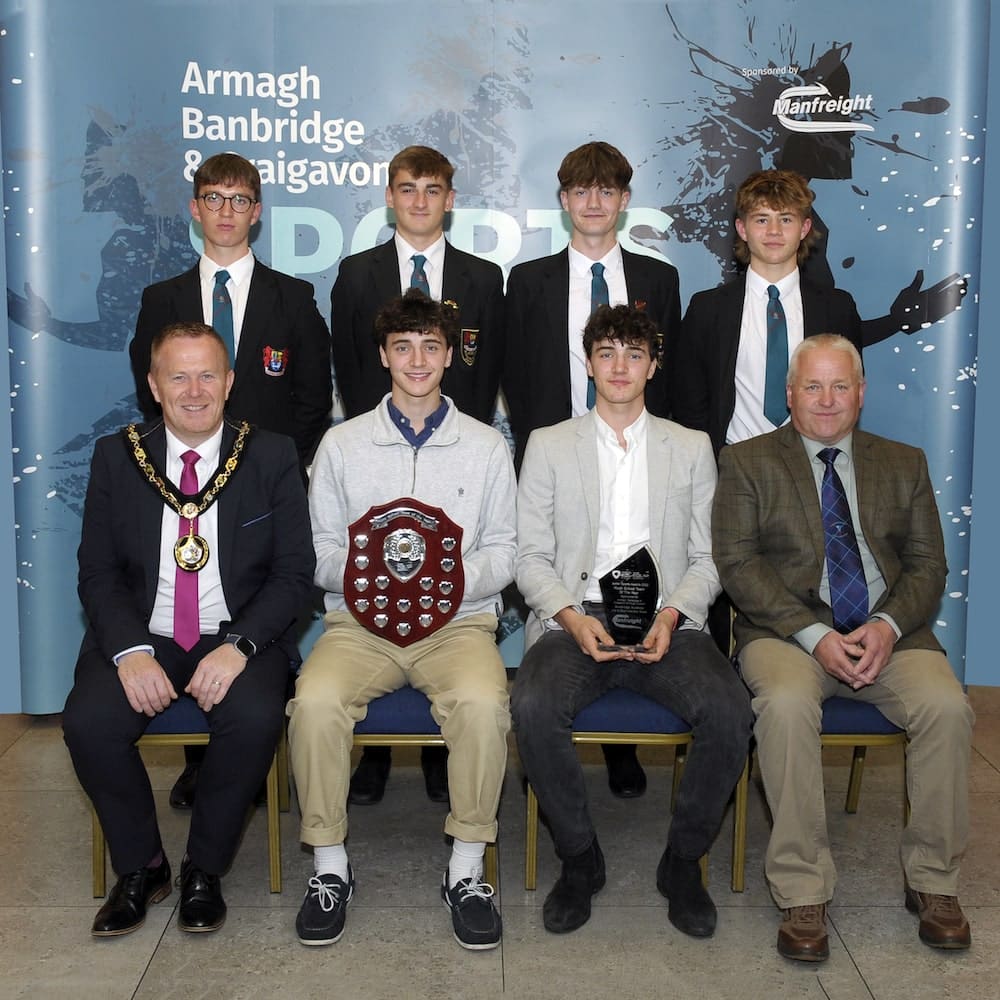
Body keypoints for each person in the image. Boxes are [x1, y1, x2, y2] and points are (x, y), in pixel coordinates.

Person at [712, 334, 974, 962]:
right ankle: (803, 889)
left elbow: (927, 565)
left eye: (839, 386)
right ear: (789, 393)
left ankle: (934, 881)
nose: (826, 401)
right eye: (812, 386)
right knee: (784, 707)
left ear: (861, 392)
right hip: (785, 633)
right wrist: (815, 634)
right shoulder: (747, 462)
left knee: (948, 708)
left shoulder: (903, 461)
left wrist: (885, 626)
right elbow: (738, 564)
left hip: (894, 634)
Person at [63, 322, 314, 937]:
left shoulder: (272, 454)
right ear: (153, 385)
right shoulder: (117, 456)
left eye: (208, 375)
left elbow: (293, 573)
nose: (194, 390)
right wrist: (129, 651)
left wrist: (240, 648)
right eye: (178, 375)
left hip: (237, 636)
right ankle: (142, 867)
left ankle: (204, 867)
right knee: (88, 722)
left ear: (230, 383)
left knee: (254, 717)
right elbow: (96, 571)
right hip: (142, 634)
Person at [511, 304, 752, 938]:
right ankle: (579, 858)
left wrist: (673, 614)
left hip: (667, 622)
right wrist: (566, 613)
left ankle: (681, 863)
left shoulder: (692, 446)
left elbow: (708, 558)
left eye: (634, 355)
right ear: (587, 364)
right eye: (607, 354)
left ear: (654, 365)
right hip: (576, 616)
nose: (620, 367)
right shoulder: (548, 444)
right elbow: (529, 556)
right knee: (532, 703)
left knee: (731, 709)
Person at [287, 290, 515, 951]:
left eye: (431, 347)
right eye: (404, 346)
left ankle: (467, 870)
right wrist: (372, 579)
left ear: (449, 356)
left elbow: (505, 550)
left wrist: (443, 586)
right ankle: (330, 867)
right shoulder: (342, 444)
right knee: (314, 703)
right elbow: (319, 551)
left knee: (481, 704)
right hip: (359, 626)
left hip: (460, 625)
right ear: (383, 355)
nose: (418, 359)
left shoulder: (484, 445)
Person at [129, 152, 331, 810]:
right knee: (189, 613)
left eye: (239, 200)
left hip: (263, 495)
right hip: (179, 493)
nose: (226, 211)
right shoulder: (160, 301)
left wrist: (262, 473)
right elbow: (147, 392)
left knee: (251, 608)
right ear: (195, 208)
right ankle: (200, 759)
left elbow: (310, 400)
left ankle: (248, 742)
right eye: (213, 198)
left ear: (257, 212)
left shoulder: (294, 299)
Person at [504, 140, 682, 797]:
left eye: (607, 191)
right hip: (560, 462)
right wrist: (539, 448)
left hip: (637, 456)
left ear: (625, 200)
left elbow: (674, 377)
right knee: (565, 586)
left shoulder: (658, 281)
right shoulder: (528, 281)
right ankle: (548, 735)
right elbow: (516, 377)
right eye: (581, 191)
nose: (594, 202)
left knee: (631, 578)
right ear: (563, 201)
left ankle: (621, 746)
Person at [331, 144, 505, 805]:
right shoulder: (356, 273)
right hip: (377, 460)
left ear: (451, 198)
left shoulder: (485, 278)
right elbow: (351, 371)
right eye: (407, 188)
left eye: (434, 188)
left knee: (444, 610)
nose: (420, 200)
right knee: (378, 593)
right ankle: (374, 755)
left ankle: (440, 754)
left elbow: (485, 378)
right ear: (390, 196)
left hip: (455, 465)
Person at [673, 169, 862, 457]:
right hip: (732, 466)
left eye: (785, 219)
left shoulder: (836, 309)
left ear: (804, 228)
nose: (774, 231)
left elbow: (846, 397)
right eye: (762, 219)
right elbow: (689, 403)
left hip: (815, 466)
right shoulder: (708, 309)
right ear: (742, 229)